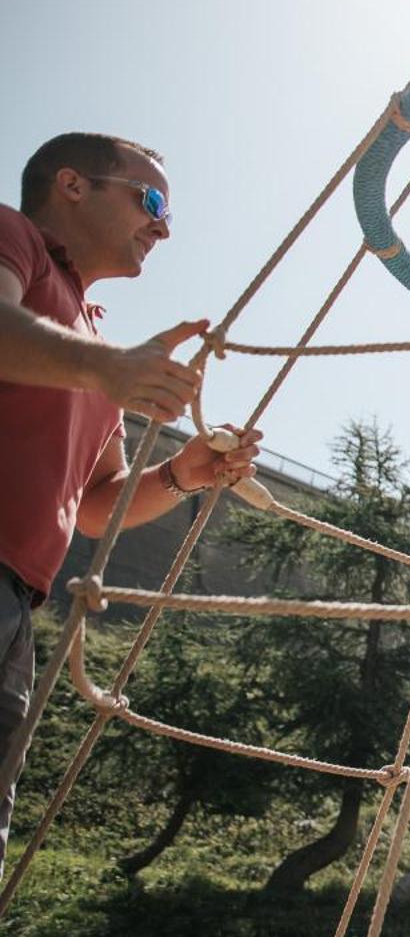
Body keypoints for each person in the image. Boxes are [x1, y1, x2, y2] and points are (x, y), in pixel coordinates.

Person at [0, 133, 262, 872]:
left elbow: (95, 505)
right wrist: (106, 369)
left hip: (21, 602)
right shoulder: (11, 235)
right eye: (151, 201)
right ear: (73, 184)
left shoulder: (92, 336)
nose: (164, 226)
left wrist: (185, 471)